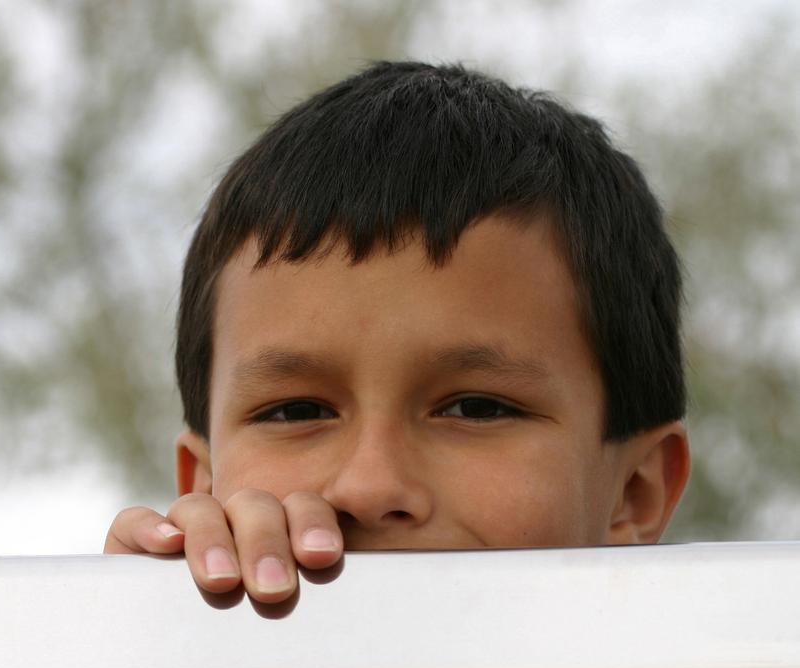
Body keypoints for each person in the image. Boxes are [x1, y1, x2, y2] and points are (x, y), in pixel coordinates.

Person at [104, 61, 690, 605]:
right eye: (295, 411)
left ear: (634, 493)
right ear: (205, 485)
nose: (370, 489)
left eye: (476, 408)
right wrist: (143, 640)